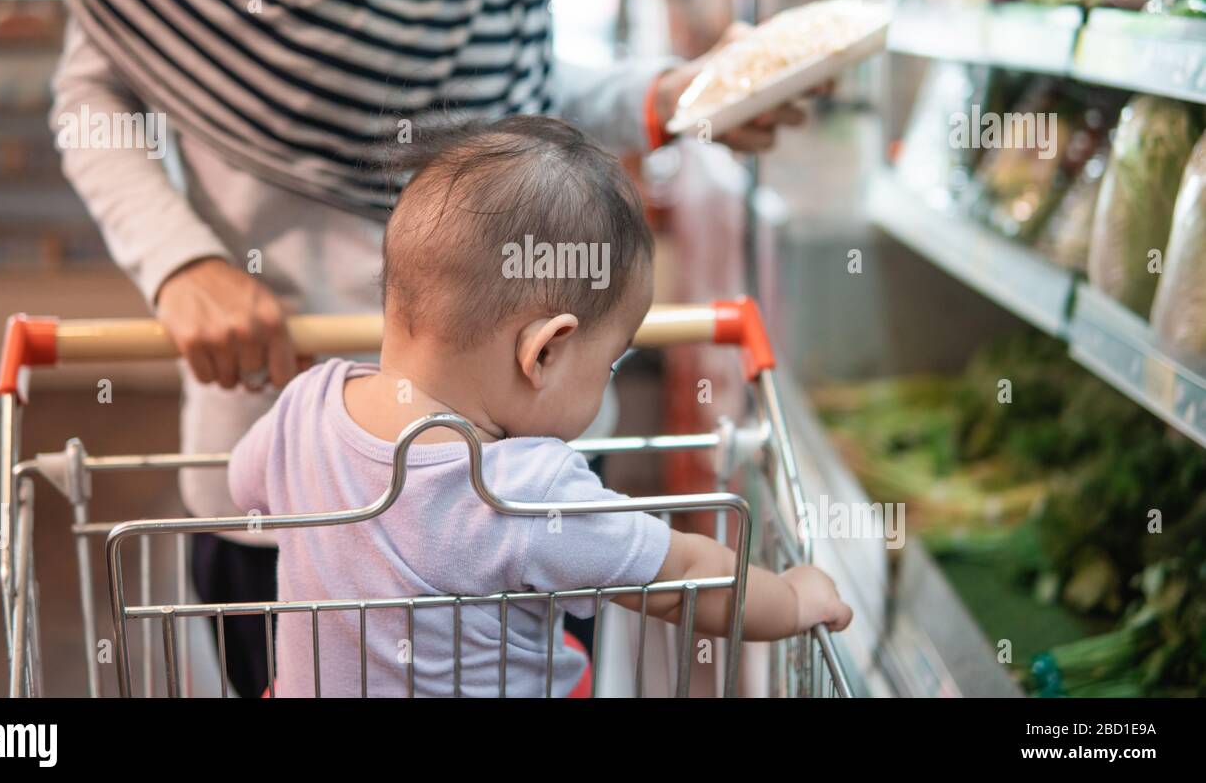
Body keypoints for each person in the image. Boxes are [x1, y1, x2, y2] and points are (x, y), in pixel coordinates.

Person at [51, 0, 799, 696]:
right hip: (290, 465)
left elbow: (495, 86)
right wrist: (181, 262)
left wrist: (666, 98)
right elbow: (93, 83)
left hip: (465, 450)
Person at [227, 117, 852, 697]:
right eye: (610, 363)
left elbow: (244, 485)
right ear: (545, 353)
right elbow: (686, 576)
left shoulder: (306, 404)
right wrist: (793, 601)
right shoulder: (522, 489)